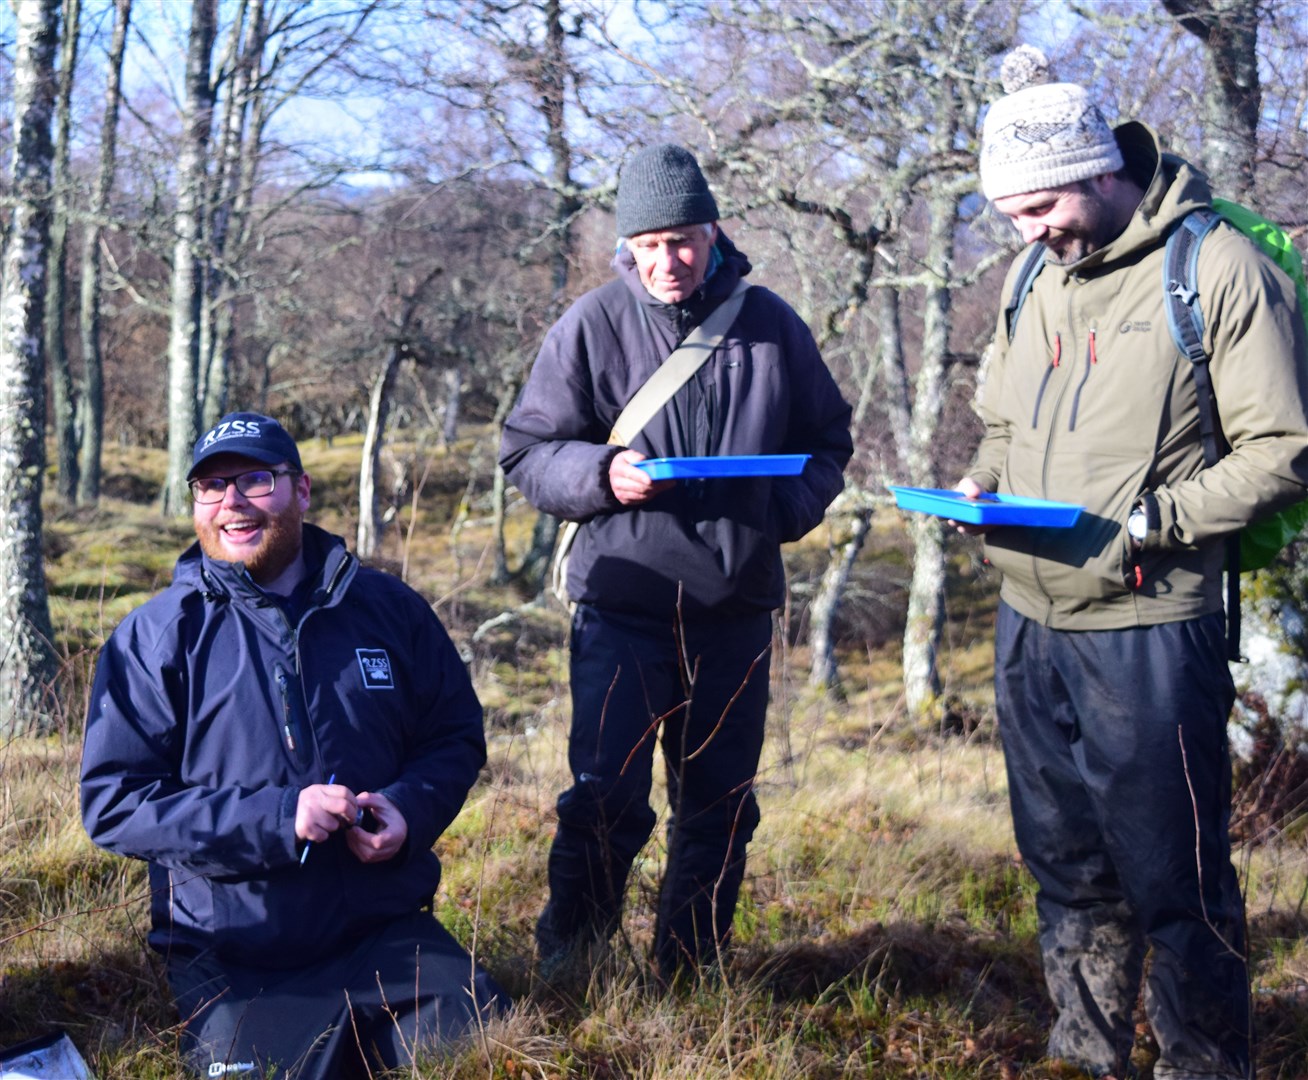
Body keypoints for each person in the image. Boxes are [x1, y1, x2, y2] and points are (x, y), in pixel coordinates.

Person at [959, 46, 1308, 1080]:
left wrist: (1153, 522)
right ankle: (1087, 1056)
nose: (1026, 235)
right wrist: (978, 485)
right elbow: (996, 423)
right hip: (1030, 619)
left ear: (1101, 170)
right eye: (1012, 216)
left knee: (1177, 881)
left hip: (1153, 625)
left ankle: (1203, 1064)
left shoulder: (1215, 270)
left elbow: (1285, 450)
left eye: (1040, 210)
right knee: (1064, 868)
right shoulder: (1032, 275)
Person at [499, 144, 852, 980]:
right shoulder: (591, 324)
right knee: (605, 799)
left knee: (720, 806)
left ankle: (690, 969)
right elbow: (525, 451)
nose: (669, 260)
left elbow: (828, 444)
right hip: (624, 605)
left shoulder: (770, 326)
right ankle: (574, 964)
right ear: (628, 244)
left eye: (684, 240)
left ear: (713, 231)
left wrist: (778, 516)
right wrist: (597, 475)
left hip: (736, 611)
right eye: (650, 244)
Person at [80, 412, 502, 1079]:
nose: (232, 504)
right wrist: (279, 820)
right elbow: (113, 801)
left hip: (387, 932)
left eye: (255, 480)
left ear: (301, 490)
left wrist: (409, 810)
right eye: (211, 488)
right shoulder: (154, 637)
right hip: (234, 953)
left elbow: (453, 735)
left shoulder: (390, 609)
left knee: (490, 1053)